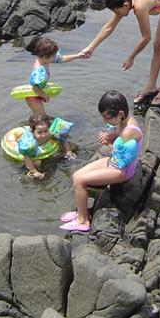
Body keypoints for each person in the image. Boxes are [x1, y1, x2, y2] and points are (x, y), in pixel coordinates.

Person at [59, 90, 143, 232]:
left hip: (122, 170)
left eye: (107, 118)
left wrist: (108, 144)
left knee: (80, 181)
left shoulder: (129, 131)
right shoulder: (125, 120)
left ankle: (83, 220)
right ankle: (82, 211)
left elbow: (120, 159)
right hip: (114, 162)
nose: (105, 121)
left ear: (120, 114)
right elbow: (118, 137)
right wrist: (111, 136)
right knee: (76, 175)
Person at [26, 36, 84, 115]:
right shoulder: (39, 71)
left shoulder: (45, 60)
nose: (55, 57)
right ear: (45, 56)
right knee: (41, 116)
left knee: (41, 116)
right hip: (33, 97)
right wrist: (45, 96)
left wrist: (77, 56)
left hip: (39, 92)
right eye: (53, 55)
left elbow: (61, 59)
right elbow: (35, 88)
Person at [19, 113, 76, 179]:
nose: (43, 135)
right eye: (39, 132)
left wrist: (68, 151)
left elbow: (62, 139)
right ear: (32, 131)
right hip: (32, 156)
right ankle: (29, 173)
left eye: (46, 131)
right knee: (37, 163)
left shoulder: (49, 134)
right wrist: (34, 171)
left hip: (45, 152)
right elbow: (25, 156)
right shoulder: (30, 142)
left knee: (73, 146)